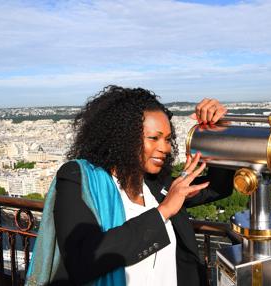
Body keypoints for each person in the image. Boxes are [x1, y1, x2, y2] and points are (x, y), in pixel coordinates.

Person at [26, 86, 234, 286]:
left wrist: (219, 131)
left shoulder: (156, 184)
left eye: (168, 139)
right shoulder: (77, 180)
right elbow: (82, 260)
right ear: (124, 137)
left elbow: (217, 187)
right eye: (153, 138)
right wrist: (163, 212)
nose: (165, 148)